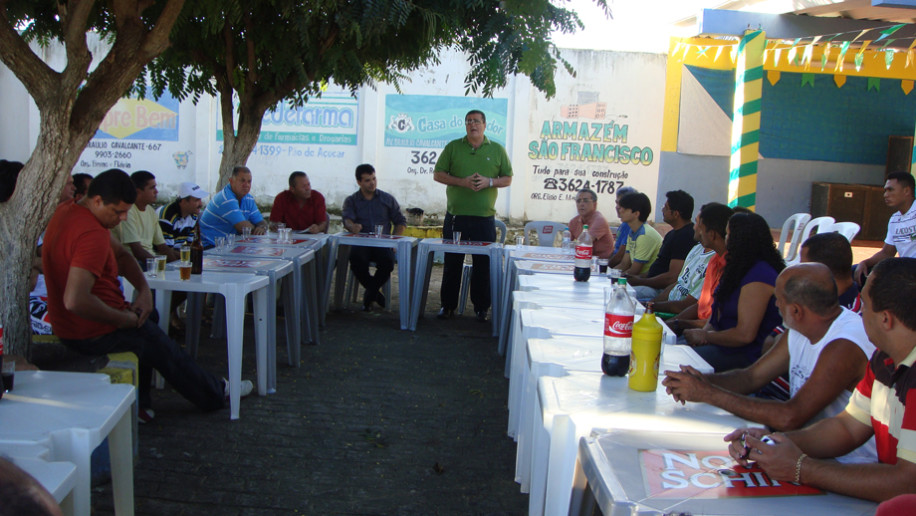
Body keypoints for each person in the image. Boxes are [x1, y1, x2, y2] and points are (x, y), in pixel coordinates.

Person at [42, 169, 250, 423]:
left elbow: (121, 254)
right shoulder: (91, 234)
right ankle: (216, 393)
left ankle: (142, 403)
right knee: (163, 347)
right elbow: (75, 300)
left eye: (126, 211)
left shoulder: (71, 211)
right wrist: (122, 319)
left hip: (89, 321)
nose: (122, 218)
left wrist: (143, 291)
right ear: (97, 200)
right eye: (117, 212)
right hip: (90, 331)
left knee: (151, 320)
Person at [727, 258, 916, 503]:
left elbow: (907, 483)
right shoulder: (884, 360)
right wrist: (770, 443)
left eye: (865, 306)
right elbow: (847, 427)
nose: (859, 313)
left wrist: (801, 468)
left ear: (885, 319)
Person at [663, 263, 877, 463]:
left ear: (796, 311)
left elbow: (790, 416)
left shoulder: (844, 345)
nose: (775, 305)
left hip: (847, 464)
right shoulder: (802, 328)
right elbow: (752, 377)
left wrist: (707, 393)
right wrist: (700, 381)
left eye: (779, 300)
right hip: (805, 448)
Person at [433, 109, 513, 322]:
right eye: (468, 121)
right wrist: (462, 182)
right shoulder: (453, 147)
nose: (472, 125)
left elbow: (507, 178)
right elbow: (438, 174)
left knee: (482, 265)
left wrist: (489, 182)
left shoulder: (497, 149)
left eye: (476, 121)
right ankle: (447, 306)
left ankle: (481, 308)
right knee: (452, 263)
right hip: (456, 216)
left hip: (484, 218)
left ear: (485, 125)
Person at [684, 211, 785, 372]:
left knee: (680, 361)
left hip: (744, 354)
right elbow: (715, 317)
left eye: (728, 234)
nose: (725, 239)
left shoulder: (759, 275)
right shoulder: (737, 267)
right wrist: (702, 335)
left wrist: (705, 336)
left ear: (739, 240)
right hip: (721, 343)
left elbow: (745, 335)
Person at [341, 164, 407, 311]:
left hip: (382, 243)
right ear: (359, 182)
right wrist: (352, 227)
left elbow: (400, 221)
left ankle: (370, 293)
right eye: (367, 180)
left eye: (374, 179)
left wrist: (395, 240)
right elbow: (347, 220)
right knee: (356, 260)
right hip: (361, 244)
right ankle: (376, 294)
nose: (372, 183)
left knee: (388, 262)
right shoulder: (352, 200)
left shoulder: (386, 199)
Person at [667, 203, 733, 331]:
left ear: (712, 234)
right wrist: (672, 323)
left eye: (699, 225)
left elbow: (715, 322)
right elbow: (700, 304)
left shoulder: (730, 266)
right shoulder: (714, 260)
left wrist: (677, 324)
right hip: (699, 327)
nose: (694, 227)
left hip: (709, 332)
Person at [627, 190, 696, 301]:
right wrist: (636, 278)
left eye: (666, 208)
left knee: (622, 294)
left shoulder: (685, 236)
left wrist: (640, 281)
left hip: (661, 290)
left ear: (676, 214)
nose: (663, 210)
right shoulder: (672, 234)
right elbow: (657, 268)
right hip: (650, 284)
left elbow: (673, 277)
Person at [855, 171, 916, 284]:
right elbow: (887, 253)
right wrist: (865, 263)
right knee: (857, 272)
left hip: (909, 273)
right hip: (905, 270)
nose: (885, 195)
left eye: (890, 190)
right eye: (885, 191)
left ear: (907, 191)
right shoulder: (894, 219)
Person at [114, 170, 179, 266]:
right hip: (135, 263)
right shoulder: (128, 211)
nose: (156, 191)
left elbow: (162, 247)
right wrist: (161, 267)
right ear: (138, 192)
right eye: (152, 188)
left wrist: (177, 265)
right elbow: (137, 251)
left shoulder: (150, 211)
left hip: (150, 260)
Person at [199, 165, 268, 247]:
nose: (246, 185)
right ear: (231, 181)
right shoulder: (225, 198)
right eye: (242, 181)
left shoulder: (248, 198)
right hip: (210, 246)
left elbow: (262, 222)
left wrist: (261, 227)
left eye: (249, 181)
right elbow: (243, 228)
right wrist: (257, 228)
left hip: (228, 245)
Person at [612, 192, 662, 276]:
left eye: (624, 208)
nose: (620, 210)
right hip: (637, 280)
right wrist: (607, 275)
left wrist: (612, 277)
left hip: (648, 283)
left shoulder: (645, 235)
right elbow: (624, 264)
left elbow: (634, 271)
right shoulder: (632, 232)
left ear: (636, 214)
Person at [158, 181, 209, 249]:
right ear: (184, 201)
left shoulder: (193, 215)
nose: (201, 204)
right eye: (197, 200)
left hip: (177, 254)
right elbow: (166, 251)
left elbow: (190, 244)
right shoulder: (168, 215)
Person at [568, 188, 612, 259]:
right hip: (583, 259)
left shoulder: (599, 220)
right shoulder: (573, 221)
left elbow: (585, 243)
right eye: (578, 201)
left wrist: (573, 245)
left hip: (600, 263)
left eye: (585, 201)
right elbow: (566, 245)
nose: (581, 204)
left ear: (595, 204)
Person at [608, 186, 638, 268]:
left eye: (621, 204)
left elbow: (620, 256)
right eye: (616, 203)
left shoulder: (632, 226)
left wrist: (606, 268)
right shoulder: (624, 224)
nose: (617, 207)